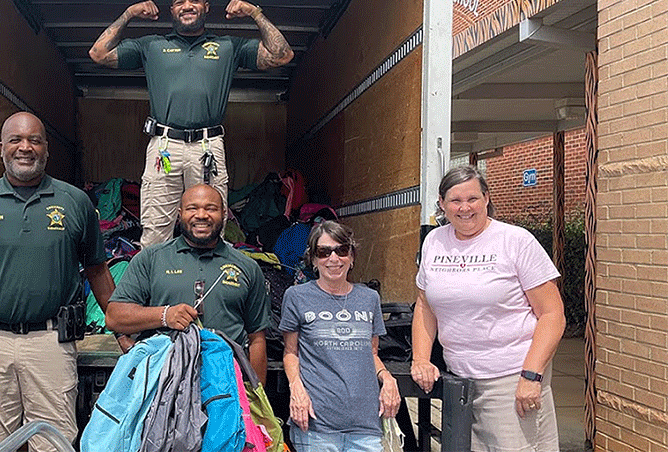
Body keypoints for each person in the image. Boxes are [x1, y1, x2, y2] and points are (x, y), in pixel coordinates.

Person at [0, 112, 116, 452]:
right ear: (1, 148)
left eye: (35, 140)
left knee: (53, 444)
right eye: (16, 140)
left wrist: (125, 332)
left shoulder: (74, 202)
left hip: (51, 344)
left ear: (47, 149)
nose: (25, 148)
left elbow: (98, 273)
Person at [89, 0, 294, 248]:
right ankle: (157, 289)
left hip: (207, 147)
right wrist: (129, 14)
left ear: (206, 7)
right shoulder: (152, 45)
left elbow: (281, 55)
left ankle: (207, 288)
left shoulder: (227, 46)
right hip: (165, 146)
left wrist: (255, 13)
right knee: (154, 235)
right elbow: (98, 53)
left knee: (211, 231)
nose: (187, 6)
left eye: (195, 0)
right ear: (171, 10)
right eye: (180, 2)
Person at [411, 165, 565, 451]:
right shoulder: (434, 241)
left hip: (511, 378)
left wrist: (531, 375)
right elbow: (425, 305)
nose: (464, 208)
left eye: (473, 199)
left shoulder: (515, 241)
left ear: (486, 199)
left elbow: (552, 314)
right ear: (442, 205)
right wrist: (421, 358)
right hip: (459, 380)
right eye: (455, 201)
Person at [105, 183, 271, 383]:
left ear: (224, 214)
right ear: (179, 214)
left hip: (226, 387)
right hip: (163, 386)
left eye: (211, 208)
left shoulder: (247, 266)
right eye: (192, 208)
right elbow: (115, 317)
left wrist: (257, 399)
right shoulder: (151, 258)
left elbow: (257, 338)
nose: (201, 215)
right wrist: (165, 315)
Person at [279, 221, 400, 451]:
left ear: (351, 257)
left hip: (365, 425)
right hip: (317, 425)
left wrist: (388, 378)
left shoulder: (369, 298)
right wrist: (296, 389)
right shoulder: (296, 296)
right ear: (313, 260)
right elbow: (290, 352)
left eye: (341, 250)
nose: (333, 258)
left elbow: (371, 352)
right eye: (324, 252)